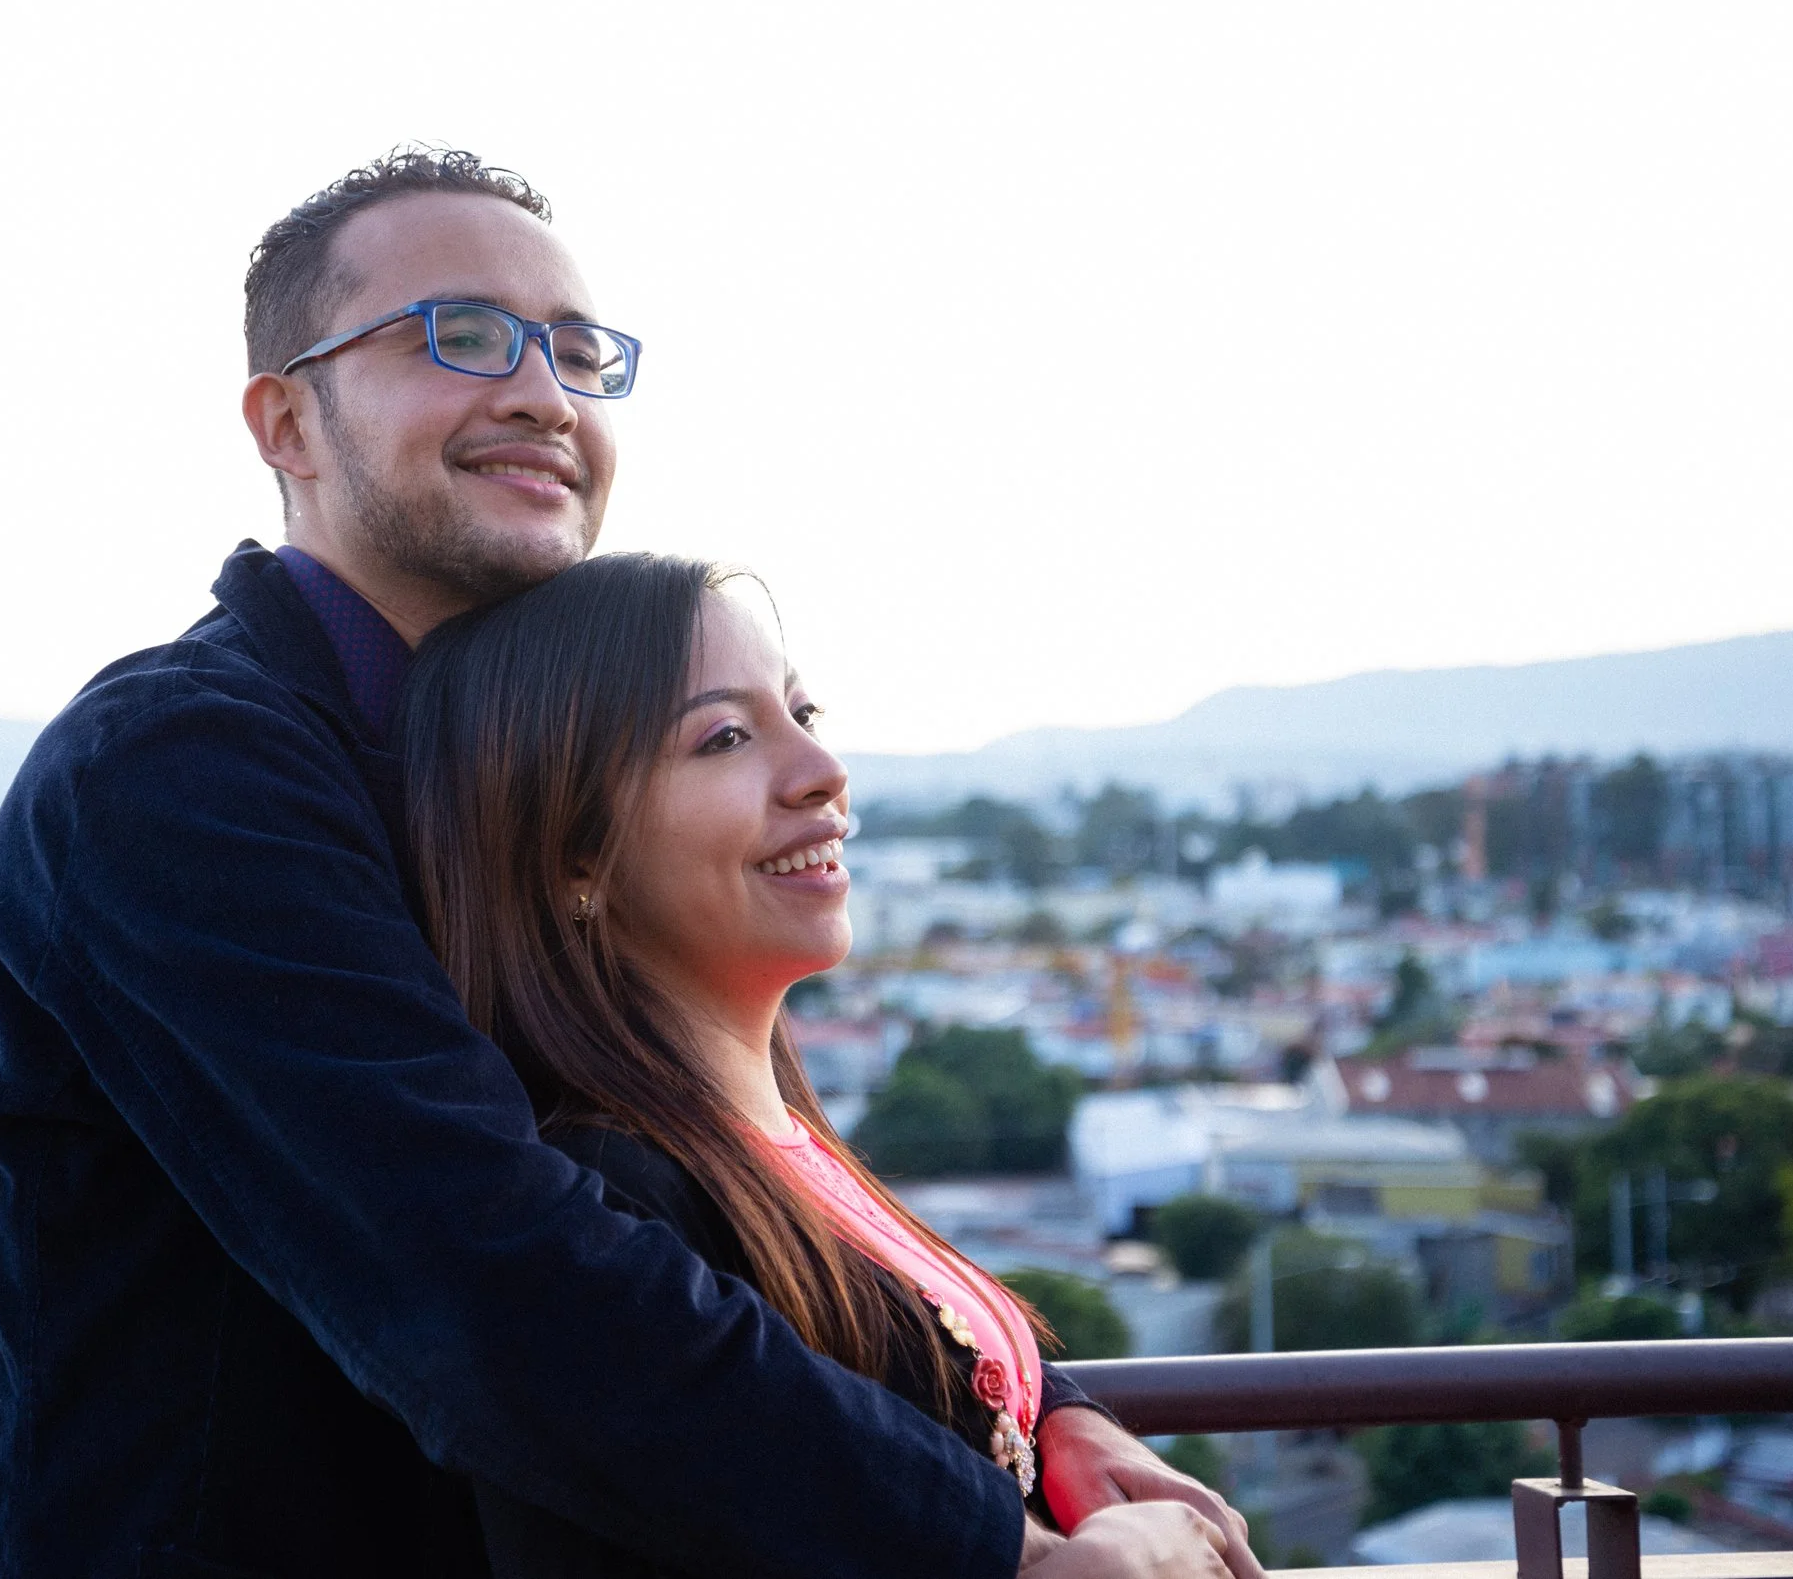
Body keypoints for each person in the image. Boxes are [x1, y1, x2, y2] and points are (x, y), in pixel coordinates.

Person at [0, 146, 1260, 1579]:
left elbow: (745, 1175)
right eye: (461, 336)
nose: (541, 394)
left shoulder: (525, 772)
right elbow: (490, 1276)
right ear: (286, 423)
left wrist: (1042, 1411)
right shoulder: (180, 772)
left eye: (579, 353)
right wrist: (1000, 1555)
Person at [397, 552, 1241, 1579]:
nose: (821, 771)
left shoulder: (776, 1141)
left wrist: (1071, 1424)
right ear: (574, 853)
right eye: (725, 737)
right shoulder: (619, 1202)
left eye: (803, 711)